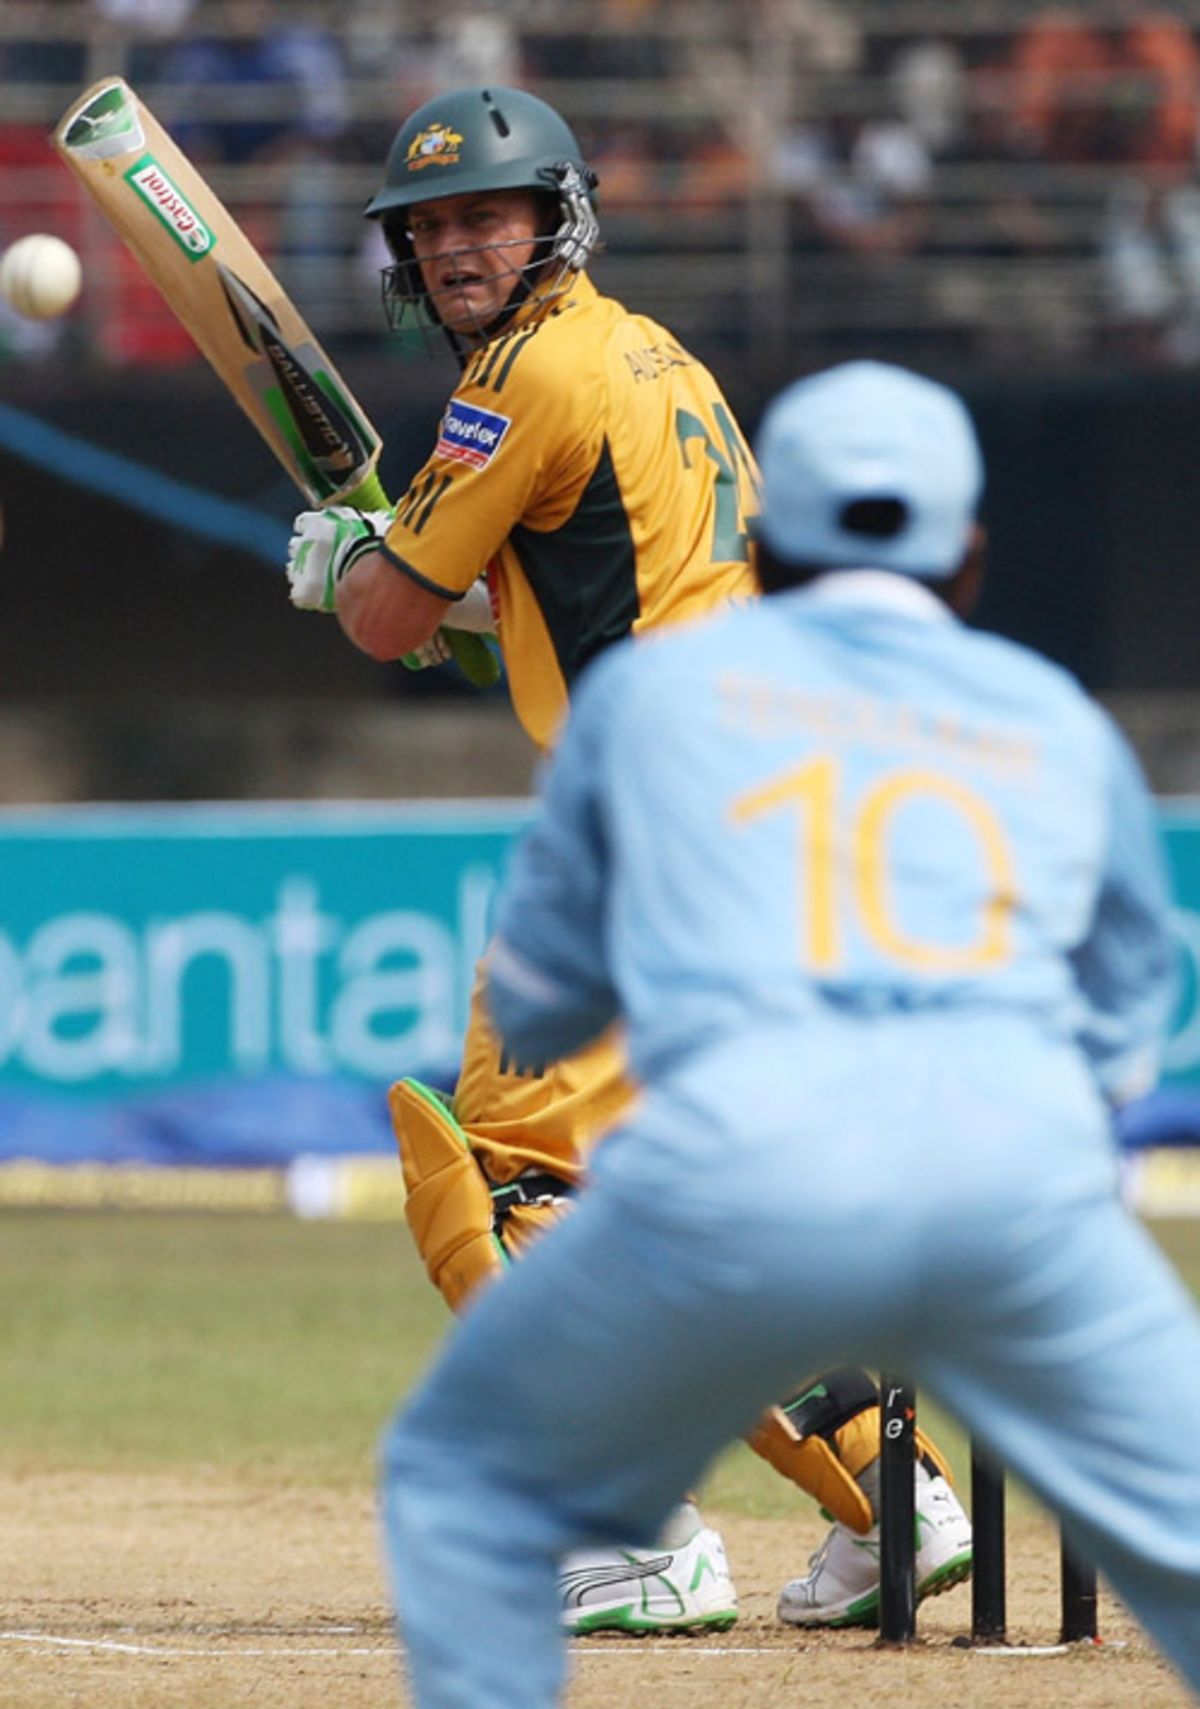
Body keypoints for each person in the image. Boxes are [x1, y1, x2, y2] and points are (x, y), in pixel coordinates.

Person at [374, 357, 1200, 1708]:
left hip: (739, 1187)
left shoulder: (642, 708)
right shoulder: (1060, 721)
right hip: (1024, 1205)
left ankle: (653, 1539)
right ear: (973, 561)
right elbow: (1126, 1021)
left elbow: (541, 1000)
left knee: (458, 1481)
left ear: (760, 550)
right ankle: (899, 1502)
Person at [285, 87, 970, 1632]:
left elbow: (393, 616)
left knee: (509, 1178)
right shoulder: (657, 357)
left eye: (486, 217)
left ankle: (635, 1522)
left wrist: (355, 567)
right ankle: (896, 1501)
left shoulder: (520, 375)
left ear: (556, 219)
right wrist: (420, 578)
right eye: (432, 227)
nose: (456, 248)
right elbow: (585, 578)